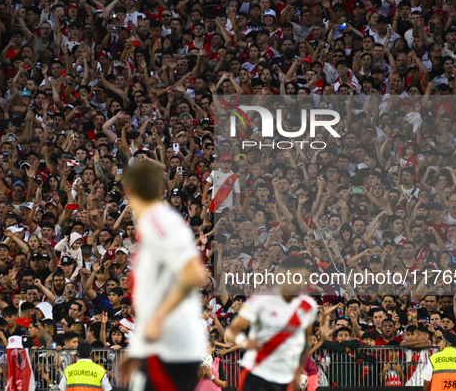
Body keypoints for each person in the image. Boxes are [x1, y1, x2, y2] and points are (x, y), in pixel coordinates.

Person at [119, 161, 207, 390]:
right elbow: (155, 295)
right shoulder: (154, 224)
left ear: (128, 190)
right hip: (161, 345)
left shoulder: (157, 221)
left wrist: (157, 321)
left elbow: (193, 274)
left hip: (171, 344)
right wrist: (138, 349)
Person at [224, 255, 318, 391]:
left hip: (285, 377)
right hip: (257, 373)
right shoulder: (261, 301)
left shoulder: (308, 307)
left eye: (303, 278)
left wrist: (298, 372)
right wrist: (244, 341)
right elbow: (232, 330)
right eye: (295, 277)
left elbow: (303, 342)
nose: (299, 283)